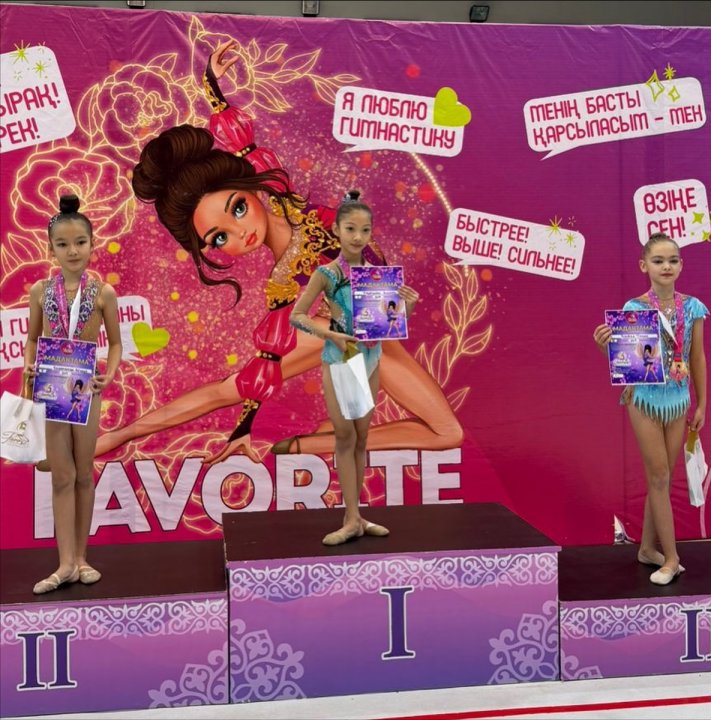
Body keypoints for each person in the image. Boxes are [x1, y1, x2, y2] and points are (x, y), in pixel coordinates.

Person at [94, 40, 462, 463]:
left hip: (371, 328)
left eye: (237, 208)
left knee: (445, 431)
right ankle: (123, 434)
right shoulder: (283, 279)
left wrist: (211, 84)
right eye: (219, 238)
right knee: (233, 388)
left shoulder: (291, 200)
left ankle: (310, 443)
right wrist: (243, 426)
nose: (241, 233)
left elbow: (243, 140)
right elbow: (267, 359)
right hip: (347, 331)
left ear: (250, 188)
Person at [290, 190, 419, 545]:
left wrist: (406, 308)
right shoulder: (327, 274)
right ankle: (349, 519)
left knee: (362, 437)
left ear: (371, 233)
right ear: (336, 230)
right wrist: (330, 334)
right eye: (350, 229)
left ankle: (356, 517)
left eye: (364, 230)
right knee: (345, 436)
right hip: (340, 359)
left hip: (370, 359)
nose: (357, 237)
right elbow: (297, 316)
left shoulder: (378, 278)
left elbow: (388, 325)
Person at [593, 232, 708, 585]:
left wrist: (702, 402)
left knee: (664, 478)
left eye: (672, 260)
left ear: (681, 265)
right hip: (643, 398)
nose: (666, 266)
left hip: (678, 399)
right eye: (658, 261)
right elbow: (627, 360)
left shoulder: (693, 308)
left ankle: (646, 548)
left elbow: (697, 357)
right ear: (644, 266)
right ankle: (671, 558)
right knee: (658, 477)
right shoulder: (634, 309)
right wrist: (605, 347)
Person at [23, 194, 122, 594]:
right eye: (63, 244)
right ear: (51, 249)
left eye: (80, 242)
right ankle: (64, 563)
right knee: (61, 476)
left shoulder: (103, 293)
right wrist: (28, 365)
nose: (73, 251)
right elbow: (32, 339)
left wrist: (108, 376)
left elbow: (116, 343)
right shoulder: (40, 291)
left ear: (92, 244)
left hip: (85, 387)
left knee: (83, 473)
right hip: (50, 386)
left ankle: (81, 559)